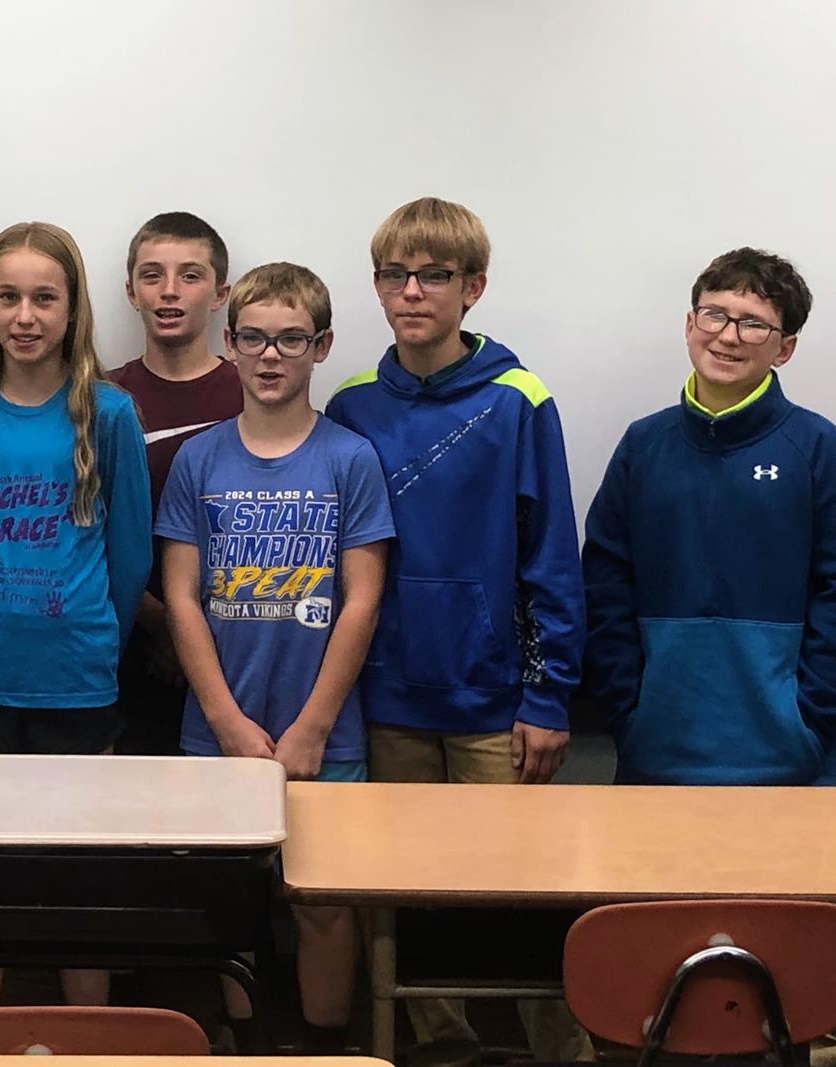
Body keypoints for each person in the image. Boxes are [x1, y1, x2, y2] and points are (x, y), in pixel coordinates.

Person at [323, 196, 593, 1062]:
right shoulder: (352, 405)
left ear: (471, 287)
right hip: (388, 699)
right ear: (376, 287)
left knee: (523, 893)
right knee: (409, 896)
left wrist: (548, 698)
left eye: (434, 275)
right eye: (395, 275)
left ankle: (563, 1048)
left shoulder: (519, 399)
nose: (413, 292)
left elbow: (551, 554)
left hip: (494, 703)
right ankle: (444, 1044)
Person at [157, 261, 392, 1052]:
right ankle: (246, 1042)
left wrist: (314, 726)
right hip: (217, 733)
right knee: (228, 900)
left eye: (291, 339)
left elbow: (362, 598)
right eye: (254, 337)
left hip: (326, 734)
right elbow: (181, 598)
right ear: (229, 342)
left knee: (323, 903)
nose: (270, 355)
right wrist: (225, 720)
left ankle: (323, 1047)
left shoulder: (350, 458)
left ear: (320, 346)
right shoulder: (199, 459)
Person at [0, 221, 150, 1008]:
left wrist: (92, 634)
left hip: (79, 676)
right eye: (8, 297)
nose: (25, 316)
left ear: (72, 307)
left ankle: (90, 1037)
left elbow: (130, 556)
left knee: (81, 869)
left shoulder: (109, 413)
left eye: (44, 298)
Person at [583, 248, 836, 786]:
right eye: (714, 315)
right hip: (657, 751)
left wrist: (809, 718)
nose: (728, 336)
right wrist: (629, 708)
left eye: (753, 324)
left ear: (785, 348)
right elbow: (606, 581)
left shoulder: (820, 450)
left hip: (795, 759)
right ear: (689, 324)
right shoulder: (643, 445)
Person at [107, 211, 241, 755]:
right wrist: (161, 623)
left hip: (235, 642)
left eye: (190, 275)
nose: (169, 291)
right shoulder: (103, 399)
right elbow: (87, 529)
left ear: (220, 294)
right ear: (131, 292)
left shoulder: (253, 393)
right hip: (129, 643)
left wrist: (195, 634)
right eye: (151, 275)